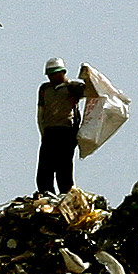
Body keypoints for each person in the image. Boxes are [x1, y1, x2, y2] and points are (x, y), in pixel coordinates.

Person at [36, 57, 90, 194]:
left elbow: (91, 91)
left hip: (66, 132)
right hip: (49, 132)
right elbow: (40, 112)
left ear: (63, 72)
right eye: (50, 74)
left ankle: (66, 196)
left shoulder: (72, 87)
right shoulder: (45, 89)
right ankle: (48, 197)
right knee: (44, 172)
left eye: (55, 74)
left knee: (63, 170)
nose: (52, 77)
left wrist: (87, 76)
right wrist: (42, 133)